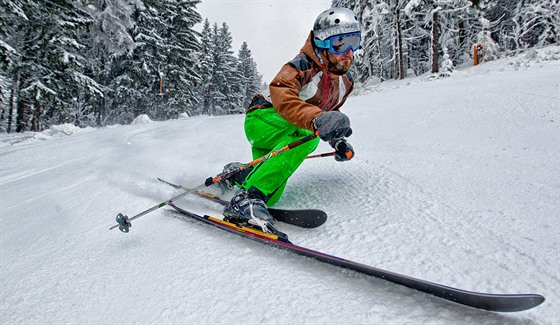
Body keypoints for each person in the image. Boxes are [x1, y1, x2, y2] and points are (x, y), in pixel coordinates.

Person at [221, 7, 360, 233]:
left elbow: (328, 115)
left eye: (355, 41)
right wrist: (316, 121)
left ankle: (239, 174)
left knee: (271, 193)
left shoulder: (345, 83)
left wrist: (338, 142)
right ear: (323, 44)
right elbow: (281, 94)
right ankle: (245, 201)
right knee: (308, 136)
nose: (349, 51)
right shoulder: (301, 66)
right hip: (263, 119)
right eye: (341, 43)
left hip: (288, 129)